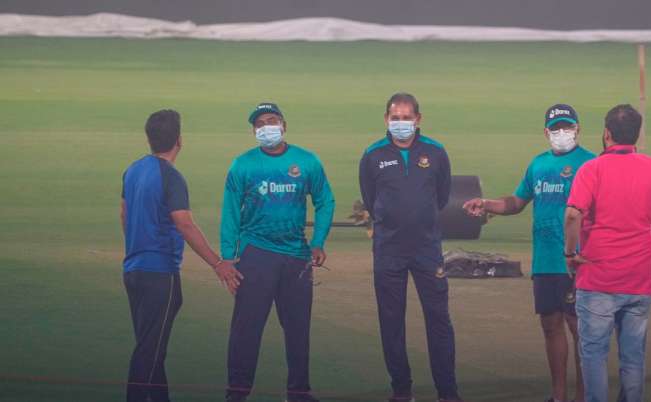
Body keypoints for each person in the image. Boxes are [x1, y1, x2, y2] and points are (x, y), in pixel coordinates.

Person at [564, 104, 651, 402]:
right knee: (633, 358)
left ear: (606, 134)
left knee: (593, 355)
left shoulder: (592, 169)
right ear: (636, 135)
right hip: (640, 280)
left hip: (598, 278)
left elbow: (573, 215)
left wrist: (569, 253)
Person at [463, 104, 594, 402]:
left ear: (578, 129)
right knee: (550, 325)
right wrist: (487, 204)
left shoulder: (590, 163)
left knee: (580, 330)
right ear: (546, 132)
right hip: (546, 260)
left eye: (568, 127)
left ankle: (584, 397)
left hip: (578, 261)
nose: (562, 133)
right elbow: (517, 202)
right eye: (556, 128)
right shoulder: (538, 165)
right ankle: (558, 395)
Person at [121, 109, 240, 402]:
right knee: (149, 352)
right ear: (179, 140)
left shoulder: (133, 170)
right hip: (160, 274)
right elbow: (184, 224)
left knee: (151, 346)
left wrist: (140, 243)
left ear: (149, 138)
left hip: (133, 270)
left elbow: (124, 214)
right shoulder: (171, 177)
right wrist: (217, 263)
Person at [221, 102, 335, 402]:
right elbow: (230, 213)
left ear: (283, 125)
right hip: (255, 254)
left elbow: (326, 201)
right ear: (253, 131)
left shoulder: (306, 161)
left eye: (271, 121)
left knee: (298, 329)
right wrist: (227, 256)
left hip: (296, 255)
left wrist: (318, 241)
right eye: (260, 124)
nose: (266, 127)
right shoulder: (242, 165)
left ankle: (299, 392)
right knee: (247, 329)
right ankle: (237, 392)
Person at [359, 93, 463, 402]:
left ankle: (448, 392)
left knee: (439, 319)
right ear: (386, 120)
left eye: (406, 118)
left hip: (427, 249)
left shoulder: (436, 152)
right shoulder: (373, 155)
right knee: (391, 322)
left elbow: (441, 196)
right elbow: (369, 197)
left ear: (418, 119)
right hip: (388, 250)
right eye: (395, 117)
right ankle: (401, 390)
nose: (400, 123)